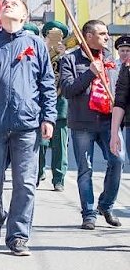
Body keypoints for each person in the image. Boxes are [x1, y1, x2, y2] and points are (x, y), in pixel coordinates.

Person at [0, 0, 56, 256]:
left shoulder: (35, 44)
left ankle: (18, 236)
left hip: (26, 124)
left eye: (15, 4)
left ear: (25, 16)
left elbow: (47, 84)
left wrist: (48, 117)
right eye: (5, 4)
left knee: (25, 183)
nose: (8, 5)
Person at [60, 19, 124, 230]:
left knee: (117, 161)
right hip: (83, 123)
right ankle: (89, 213)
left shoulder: (111, 59)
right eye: (102, 33)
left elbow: (119, 90)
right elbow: (68, 90)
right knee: (85, 169)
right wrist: (90, 73)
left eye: (107, 33)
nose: (107, 37)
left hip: (109, 122)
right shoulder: (70, 60)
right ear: (88, 36)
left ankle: (105, 204)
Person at [37, 21, 70, 191]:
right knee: (41, 143)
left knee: (59, 145)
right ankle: (38, 172)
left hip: (61, 106)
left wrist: (63, 57)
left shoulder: (67, 58)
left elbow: (72, 79)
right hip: (40, 105)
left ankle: (59, 178)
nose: (55, 41)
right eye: (51, 37)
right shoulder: (39, 55)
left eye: (58, 38)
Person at [110, 34, 130, 163]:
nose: (125, 53)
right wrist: (114, 133)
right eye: (122, 50)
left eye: (128, 50)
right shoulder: (116, 68)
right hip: (121, 111)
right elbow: (120, 98)